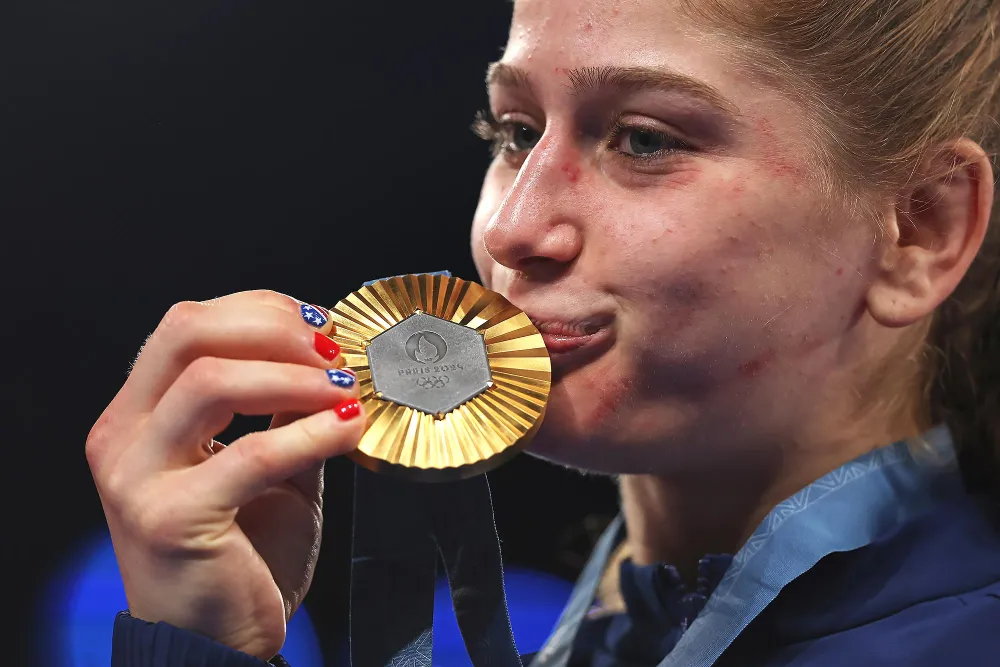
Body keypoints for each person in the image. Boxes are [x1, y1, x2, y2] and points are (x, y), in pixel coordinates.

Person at [86, 0, 1000, 665]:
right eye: (516, 131)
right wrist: (208, 643)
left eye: (644, 140)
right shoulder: (613, 633)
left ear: (920, 228)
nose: (511, 230)